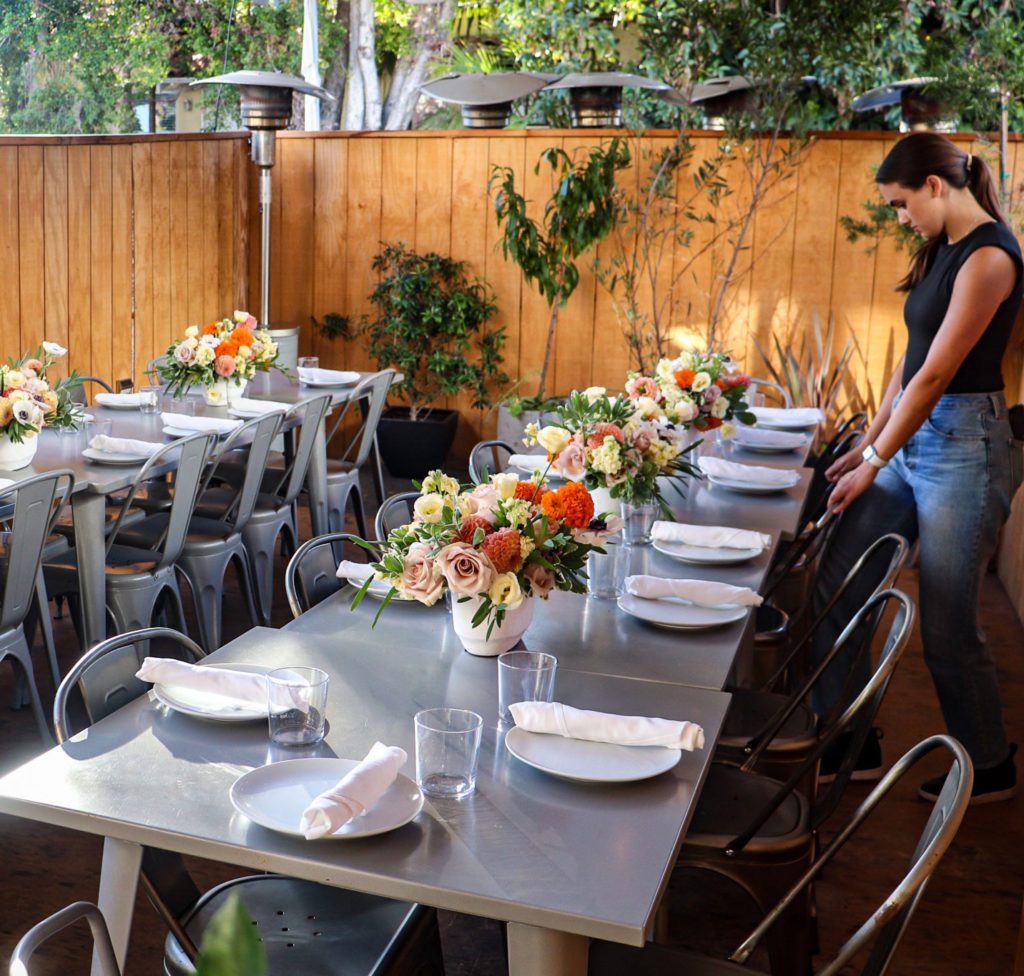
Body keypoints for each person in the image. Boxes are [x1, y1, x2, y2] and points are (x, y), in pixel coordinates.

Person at [811, 131, 1023, 804]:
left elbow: (937, 376)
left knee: (946, 624)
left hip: (967, 447)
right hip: (913, 436)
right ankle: (849, 736)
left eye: (902, 204)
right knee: (841, 577)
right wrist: (869, 443)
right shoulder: (944, 249)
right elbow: (911, 359)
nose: (900, 218)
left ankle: (989, 762)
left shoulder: (991, 258)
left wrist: (877, 458)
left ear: (935, 185)